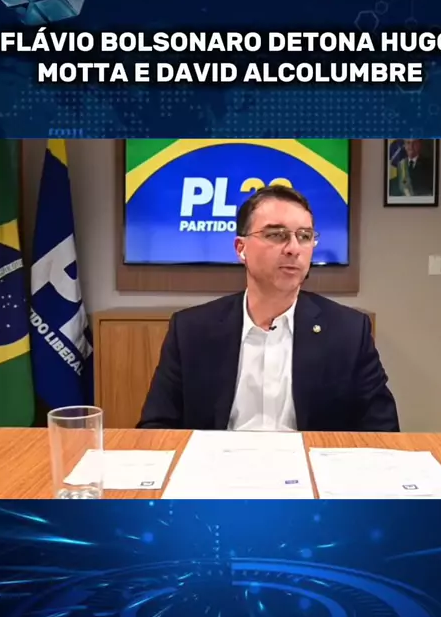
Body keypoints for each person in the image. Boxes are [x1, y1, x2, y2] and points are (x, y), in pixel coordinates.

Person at [137, 185, 400, 432]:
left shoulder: (349, 332)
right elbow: (156, 428)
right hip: (218, 464)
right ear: (241, 249)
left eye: (304, 236)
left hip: (310, 464)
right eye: (276, 235)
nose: (294, 249)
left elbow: (382, 433)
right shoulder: (190, 331)